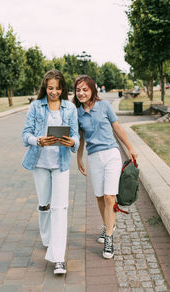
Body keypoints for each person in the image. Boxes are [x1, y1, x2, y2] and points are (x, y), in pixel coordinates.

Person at [73, 75, 137, 259]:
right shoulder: (77, 112)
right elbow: (81, 137)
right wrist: (79, 158)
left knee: (110, 197)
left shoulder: (104, 106)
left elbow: (117, 127)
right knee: (100, 197)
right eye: (78, 90)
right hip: (94, 157)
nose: (81, 93)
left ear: (92, 89)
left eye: (85, 89)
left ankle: (109, 237)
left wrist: (130, 148)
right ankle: (109, 225)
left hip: (111, 154)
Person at [22, 70, 79, 274]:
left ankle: (58, 258)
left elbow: (75, 136)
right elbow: (25, 135)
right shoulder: (36, 107)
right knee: (45, 204)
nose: (53, 92)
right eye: (50, 88)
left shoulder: (70, 108)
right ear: (45, 88)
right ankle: (47, 238)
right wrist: (37, 140)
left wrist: (72, 142)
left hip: (61, 164)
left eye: (57, 88)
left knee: (60, 208)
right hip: (40, 162)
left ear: (62, 88)